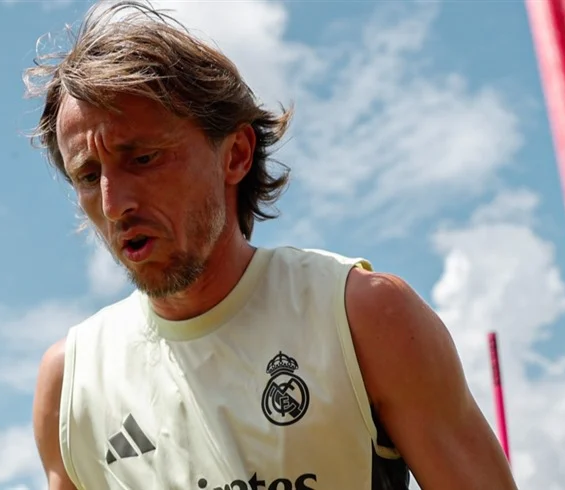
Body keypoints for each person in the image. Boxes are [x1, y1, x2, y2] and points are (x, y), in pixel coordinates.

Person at [26, 1, 518, 489]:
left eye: (144, 159)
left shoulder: (365, 316)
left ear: (236, 155)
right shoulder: (71, 385)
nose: (113, 204)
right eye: (87, 176)